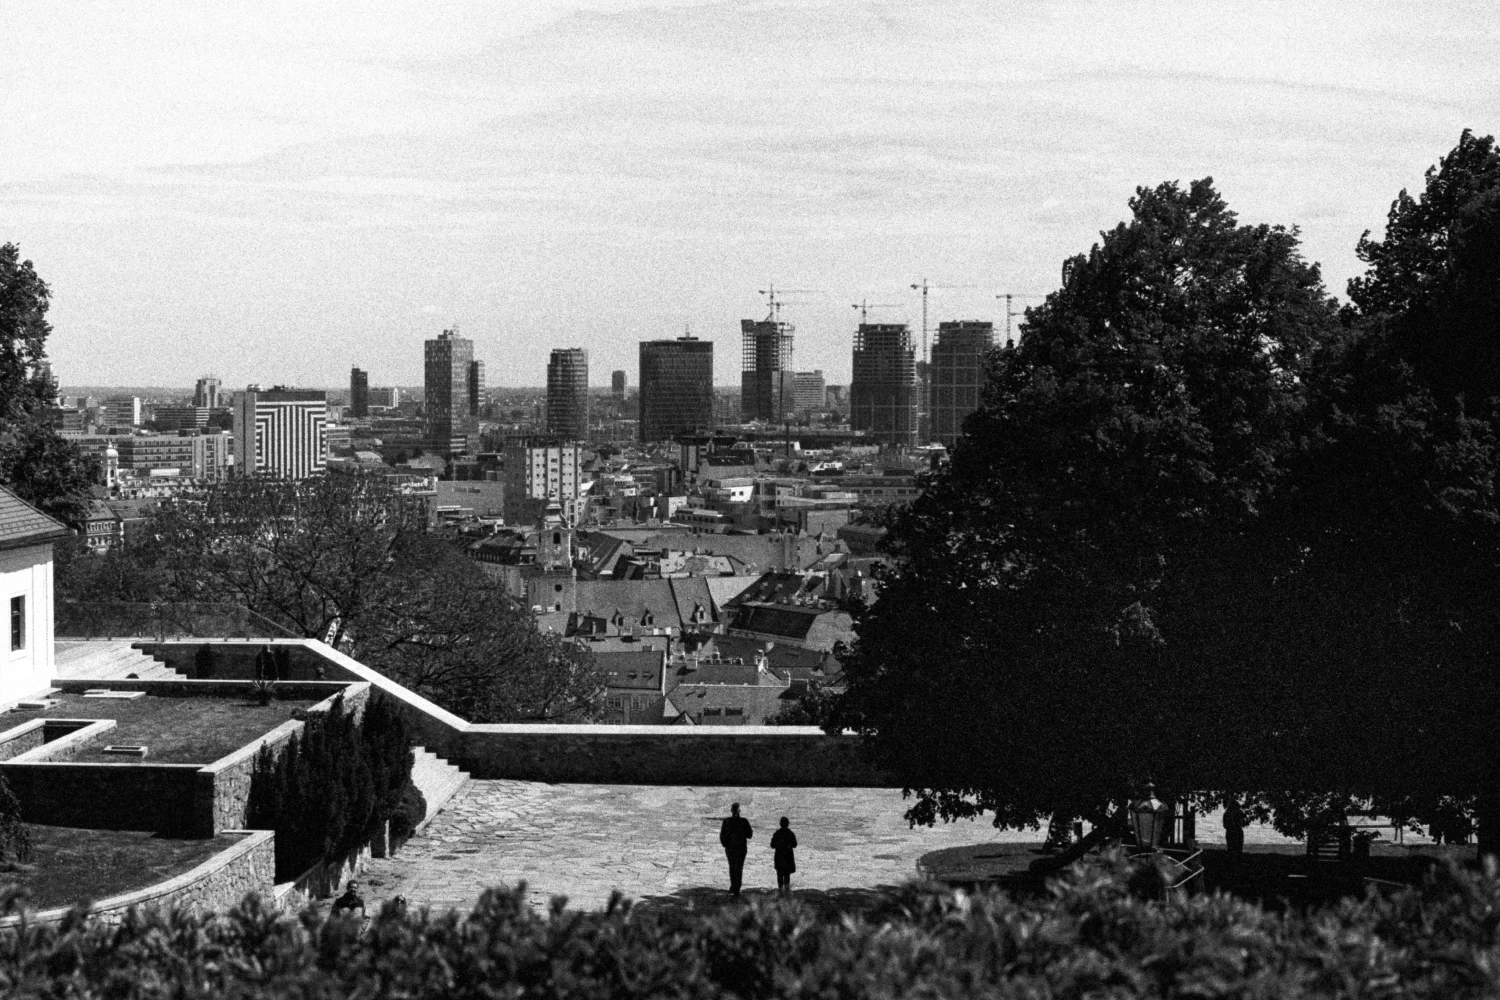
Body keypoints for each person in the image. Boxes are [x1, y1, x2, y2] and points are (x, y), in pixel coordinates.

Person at [719, 802, 753, 896]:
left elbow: (722, 835)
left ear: (731, 810)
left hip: (730, 848)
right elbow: (749, 835)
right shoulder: (744, 821)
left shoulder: (727, 821)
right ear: (739, 811)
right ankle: (737, 887)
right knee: (739, 867)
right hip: (741, 848)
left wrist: (725, 844)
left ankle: (733, 885)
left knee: (732, 867)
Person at [770, 816, 797, 896]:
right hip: (788, 856)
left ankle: (781, 891)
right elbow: (795, 844)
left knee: (779, 875)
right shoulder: (790, 833)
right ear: (787, 824)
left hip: (779, 856)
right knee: (787, 875)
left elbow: (772, 845)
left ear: (780, 824)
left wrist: (779, 845)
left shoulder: (777, 833)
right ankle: (787, 891)